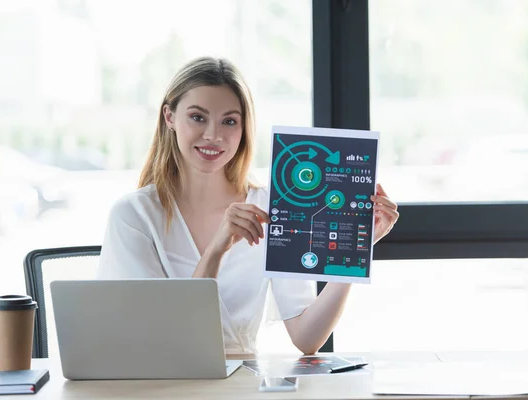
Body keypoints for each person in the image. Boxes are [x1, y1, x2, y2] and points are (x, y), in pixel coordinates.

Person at [96, 57, 399, 355]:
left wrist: (356, 251)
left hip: (244, 384)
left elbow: (307, 338)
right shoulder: (133, 216)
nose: (213, 135)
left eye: (229, 121)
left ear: (244, 130)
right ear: (169, 117)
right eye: (197, 117)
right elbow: (169, 340)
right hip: (161, 384)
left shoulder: (271, 207)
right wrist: (217, 248)